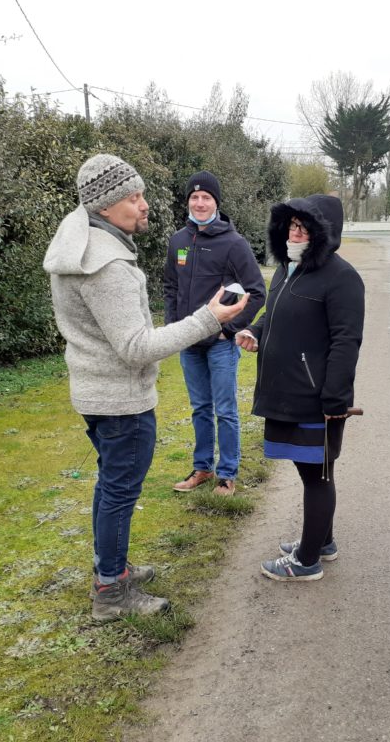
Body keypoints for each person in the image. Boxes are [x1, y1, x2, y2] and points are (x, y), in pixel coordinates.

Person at [43, 154, 248, 622]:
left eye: (141, 195)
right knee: (119, 494)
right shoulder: (106, 265)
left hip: (96, 392)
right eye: (134, 197)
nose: (144, 204)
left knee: (110, 487)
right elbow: (136, 347)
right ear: (106, 205)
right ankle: (111, 592)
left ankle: (112, 569)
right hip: (121, 402)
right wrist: (208, 319)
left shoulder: (80, 246)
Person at [235, 194, 364, 582]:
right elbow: (273, 313)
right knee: (313, 472)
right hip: (286, 393)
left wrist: (334, 399)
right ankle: (322, 542)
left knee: (317, 475)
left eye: (305, 227)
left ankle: (307, 561)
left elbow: (346, 342)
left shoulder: (342, 278)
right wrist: (255, 331)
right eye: (292, 224)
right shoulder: (287, 269)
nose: (295, 232)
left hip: (316, 398)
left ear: (326, 233)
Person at [164, 171, 266, 496]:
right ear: (188, 202)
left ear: (216, 203)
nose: (200, 203)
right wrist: (174, 328)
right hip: (189, 342)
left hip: (220, 345)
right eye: (194, 197)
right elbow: (170, 288)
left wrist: (230, 329)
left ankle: (227, 474)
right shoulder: (178, 241)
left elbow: (257, 292)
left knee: (225, 410)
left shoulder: (233, 244)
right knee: (200, 409)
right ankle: (203, 468)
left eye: (206, 197)